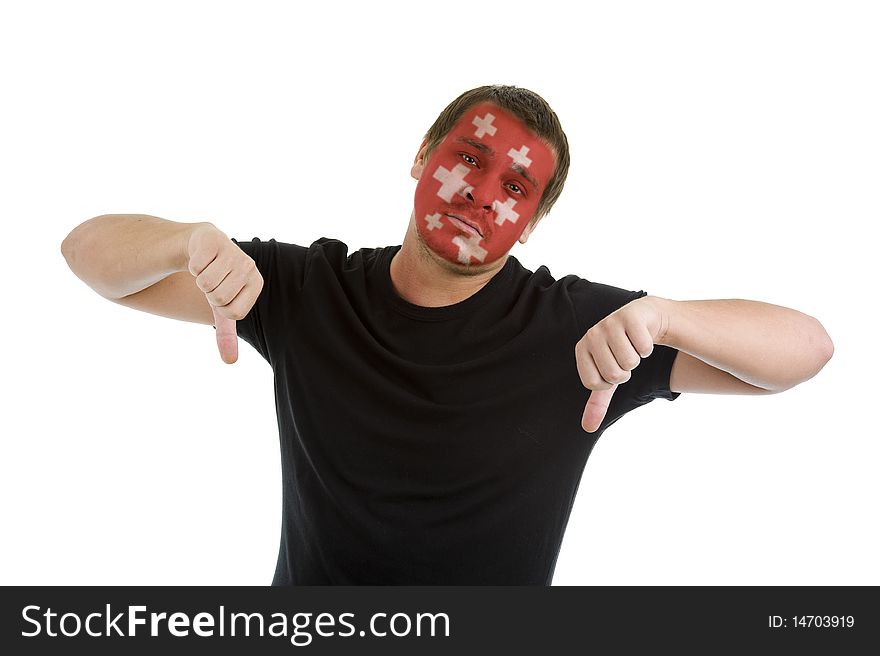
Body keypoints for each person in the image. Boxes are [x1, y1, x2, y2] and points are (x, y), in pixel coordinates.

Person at [61, 85, 833, 585]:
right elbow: (84, 253)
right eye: (469, 158)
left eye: (516, 188)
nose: (481, 195)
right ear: (421, 158)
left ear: (530, 224)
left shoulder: (584, 332)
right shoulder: (304, 290)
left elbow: (806, 352)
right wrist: (182, 240)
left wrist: (668, 315)